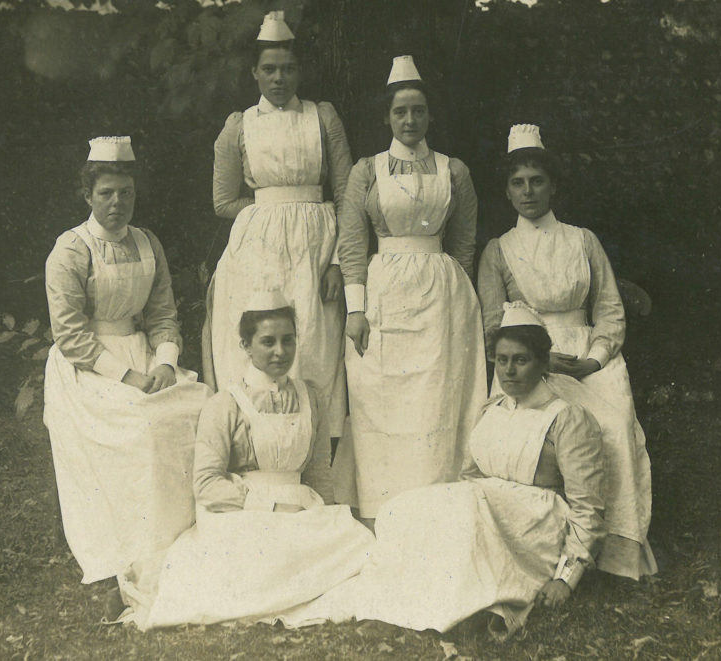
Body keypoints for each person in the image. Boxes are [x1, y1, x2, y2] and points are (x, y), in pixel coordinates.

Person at [280, 302, 605, 635]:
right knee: (403, 507)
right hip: (491, 515)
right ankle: (393, 606)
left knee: (465, 506)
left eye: (521, 360)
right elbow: (470, 478)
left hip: (538, 528)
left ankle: (431, 617)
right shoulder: (492, 410)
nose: (509, 371)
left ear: (541, 363)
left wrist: (567, 577)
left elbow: (588, 507)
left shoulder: (566, 419)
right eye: (503, 360)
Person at [117, 290, 374, 628]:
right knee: (258, 559)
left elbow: (318, 474)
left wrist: (325, 520)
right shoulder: (225, 404)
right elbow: (207, 485)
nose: (280, 352)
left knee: (358, 543)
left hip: (301, 509)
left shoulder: (311, 396)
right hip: (243, 514)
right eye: (268, 342)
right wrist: (268, 507)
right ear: (246, 346)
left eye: (288, 340)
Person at [477, 124, 656, 579]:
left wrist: (596, 358)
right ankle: (553, 546)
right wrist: (540, 360)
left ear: (553, 185)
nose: (528, 191)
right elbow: (494, 327)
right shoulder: (499, 251)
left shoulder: (583, 240)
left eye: (537, 181)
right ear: (507, 191)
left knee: (614, 426)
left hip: (590, 357)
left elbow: (611, 310)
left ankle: (616, 556)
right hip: (535, 362)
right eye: (518, 183)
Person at [43, 136, 210, 585]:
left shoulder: (147, 242)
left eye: (126, 193)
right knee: (142, 427)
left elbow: (162, 315)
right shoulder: (71, 250)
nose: (117, 203)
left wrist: (165, 364)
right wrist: (128, 376)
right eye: (106, 194)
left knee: (196, 408)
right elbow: (71, 336)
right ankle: (134, 548)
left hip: (143, 357)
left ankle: (180, 540)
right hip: (90, 368)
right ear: (87, 195)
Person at [333, 55, 487, 521]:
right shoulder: (367, 171)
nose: (410, 120)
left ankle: (437, 510)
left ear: (430, 115)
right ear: (387, 117)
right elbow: (353, 243)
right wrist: (355, 310)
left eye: (418, 111)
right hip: (384, 292)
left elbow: (464, 242)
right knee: (383, 399)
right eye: (401, 112)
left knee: (438, 399)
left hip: (443, 294)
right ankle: (384, 510)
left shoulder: (453, 171)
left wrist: (457, 296)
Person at [207, 11, 353, 441]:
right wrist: (266, 214)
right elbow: (222, 201)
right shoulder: (239, 126)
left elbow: (346, 195)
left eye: (287, 69)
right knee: (260, 341)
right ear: (254, 73)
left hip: (316, 249)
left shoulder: (322, 118)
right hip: (257, 252)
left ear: (300, 71)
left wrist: (338, 263)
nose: (278, 79)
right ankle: (256, 447)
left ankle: (315, 457)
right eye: (268, 69)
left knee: (314, 346)